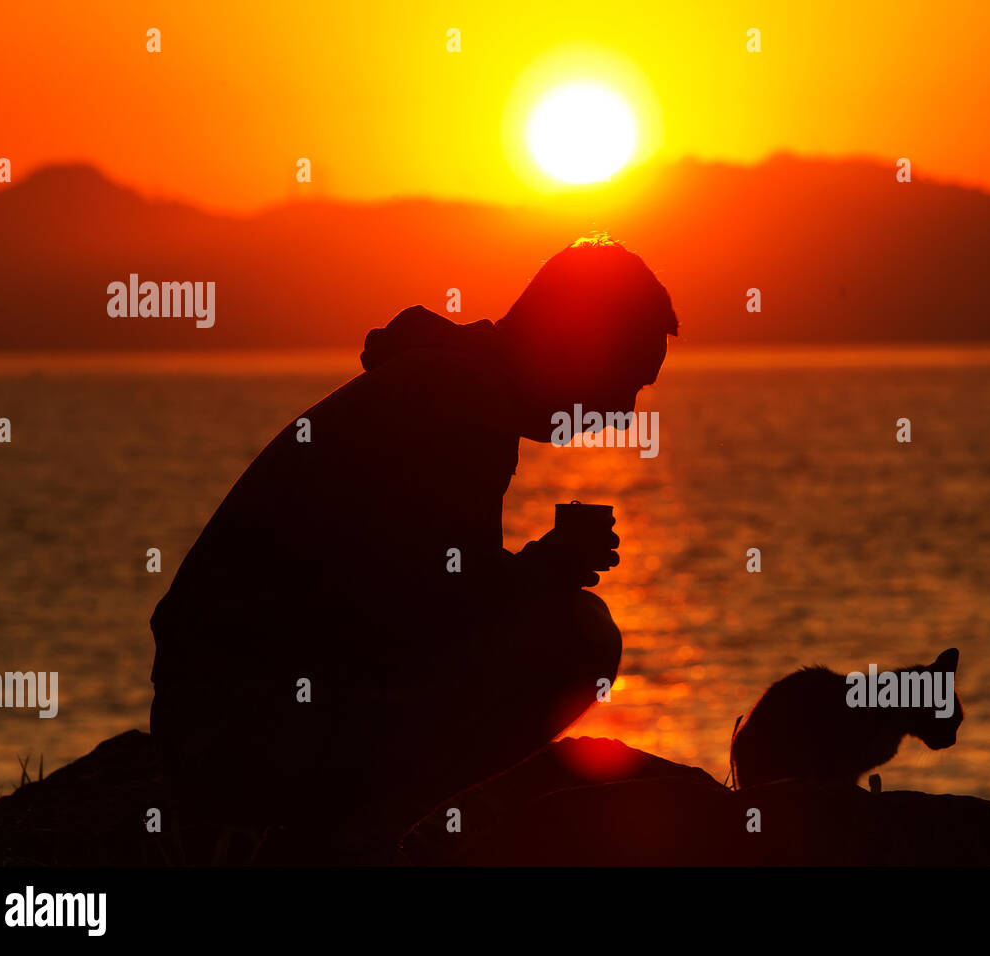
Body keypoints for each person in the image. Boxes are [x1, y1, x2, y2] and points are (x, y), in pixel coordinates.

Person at [148, 236, 678, 862]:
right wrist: (545, 569)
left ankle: (333, 828)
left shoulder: (452, 383)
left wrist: (540, 567)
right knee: (578, 636)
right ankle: (340, 838)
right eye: (627, 380)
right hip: (240, 714)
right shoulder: (458, 401)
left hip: (228, 694)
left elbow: (414, 590)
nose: (621, 412)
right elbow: (427, 611)